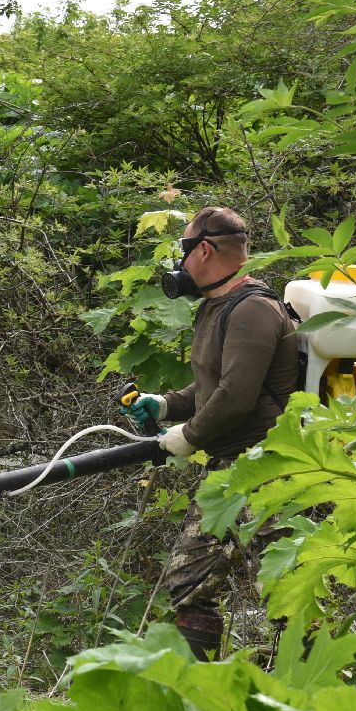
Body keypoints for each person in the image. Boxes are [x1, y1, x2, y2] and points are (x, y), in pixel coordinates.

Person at [123, 207, 300, 659]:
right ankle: (196, 694)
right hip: (229, 473)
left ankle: (320, 690)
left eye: (183, 251)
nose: (179, 265)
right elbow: (212, 386)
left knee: (289, 595)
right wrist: (165, 405)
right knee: (188, 580)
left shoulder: (254, 309)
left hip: (266, 472)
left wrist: (187, 437)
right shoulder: (217, 307)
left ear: (204, 250)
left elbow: (236, 397)